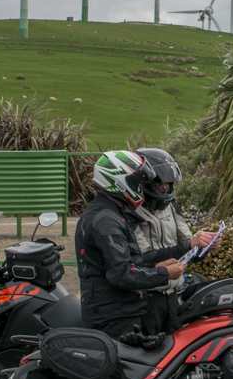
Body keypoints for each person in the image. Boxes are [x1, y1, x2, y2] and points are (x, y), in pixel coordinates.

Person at [73, 151, 215, 346]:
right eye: (136, 183)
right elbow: (122, 274)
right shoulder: (107, 220)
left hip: (122, 311)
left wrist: (157, 267)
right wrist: (163, 274)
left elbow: (132, 262)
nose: (140, 189)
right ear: (119, 182)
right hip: (111, 316)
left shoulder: (112, 213)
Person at [130, 147, 196, 295]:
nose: (164, 188)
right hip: (147, 293)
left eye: (167, 184)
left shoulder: (172, 207)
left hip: (172, 291)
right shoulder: (131, 211)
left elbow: (188, 244)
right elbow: (143, 257)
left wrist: (204, 246)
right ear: (144, 182)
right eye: (159, 184)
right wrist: (189, 246)